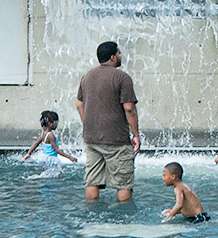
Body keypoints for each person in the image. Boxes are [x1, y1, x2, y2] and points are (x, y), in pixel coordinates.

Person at [77, 41, 140, 202]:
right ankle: (122, 221)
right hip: (116, 140)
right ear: (112, 57)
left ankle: (91, 218)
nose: (120, 56)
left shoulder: (87, 76)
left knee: (92, 181)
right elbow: (129, 108)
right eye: (119, 53)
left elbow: (79, 105)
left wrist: (89, 125)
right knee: (123, 184)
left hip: (91, 138)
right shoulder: (122, 78)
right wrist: (135, 135)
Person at [23, 109, 77, 174]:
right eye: (56, 123)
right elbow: (56, 150)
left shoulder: (43, 134)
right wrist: (69, 157)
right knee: (56, 175)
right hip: (51, 160)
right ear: (50, 123)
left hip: (43, 158)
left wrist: (29, 153)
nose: (56, 125)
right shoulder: (50, 135)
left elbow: (36, 143)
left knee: (49, 174)